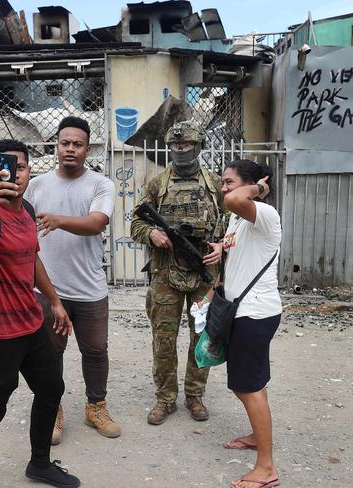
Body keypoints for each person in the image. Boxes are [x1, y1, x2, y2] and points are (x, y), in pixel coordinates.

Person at [0, 139, 81, 488]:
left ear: (28, 172)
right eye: (8, 167)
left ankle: (39, 463)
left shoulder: (26, 212)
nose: (16, 173)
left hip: (30, 321)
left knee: (52, 388)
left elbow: (32, 258)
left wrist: (54, 301)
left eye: (21, 167)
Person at [25, 116, 120, 444]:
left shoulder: (100, 184)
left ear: (87, 148)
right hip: (48, 290)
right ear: (56, 146)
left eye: (77, 144)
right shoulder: (37, 185)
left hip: (90, 288)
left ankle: (96, 407)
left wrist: (59, 220)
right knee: (50, 353)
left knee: (96, 350)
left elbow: (96, 223)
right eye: (65, 143)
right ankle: (53, 408)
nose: (70, 149)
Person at [130, 120, 224, 425]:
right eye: (175, 146)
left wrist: (222, 245)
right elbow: (136, 223)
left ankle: (195, 396)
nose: (180, 150)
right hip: (165, 271)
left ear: (198, 146)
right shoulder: (157, 185)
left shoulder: (215, 183)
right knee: (164, 339)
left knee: (203, 337)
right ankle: (165, 399)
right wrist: (152, 235)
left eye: (185, 145)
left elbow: (236, 224)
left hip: (204, 271)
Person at [220, 159, 281, 488]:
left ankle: (267, 468)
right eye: (223, 182)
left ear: (251, 185)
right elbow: (235, 250)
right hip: (242, 311)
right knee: (252, 383)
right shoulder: (238, 218)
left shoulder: (264, 213)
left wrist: (260, 186)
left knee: (248, 387)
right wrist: (220, 249)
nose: (224, 188)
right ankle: (259, 438)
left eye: (230, 181)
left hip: (255, 314)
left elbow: (234, 199)